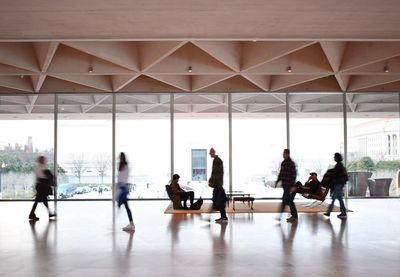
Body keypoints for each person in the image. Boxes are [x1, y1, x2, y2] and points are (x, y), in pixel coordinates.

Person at [29, 156, 56, 221]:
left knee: (43, 200)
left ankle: (33, 214)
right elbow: (41, 177)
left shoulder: (41, 167)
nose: (45, 161)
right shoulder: (39, 168)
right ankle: (32, 214)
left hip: (40, 186)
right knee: (39, 200)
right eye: (43, 160)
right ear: (40, 161)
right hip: (41, 186)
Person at [276, 149, 298, 223]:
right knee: (289, 201)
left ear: (288, 154)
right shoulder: (283, 163)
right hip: (285, 185)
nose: (283, 155)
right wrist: (277, 181)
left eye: (284, 154)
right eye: (283, 154)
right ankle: (294, 216)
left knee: (284, 200)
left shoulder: (291, 163)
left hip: (289, 185)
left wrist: (293, 185)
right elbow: (281, 173)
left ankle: (279, 216)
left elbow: (294, 175)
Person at [324, 153, 348, 219]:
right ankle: (343, 212)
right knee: (339, 199)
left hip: (338, 184)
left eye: (334, 157)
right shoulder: (339, 166)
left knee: (334, 198)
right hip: (339, 185)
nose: (334, 158)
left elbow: (336, 175)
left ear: (337, 158)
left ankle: (329, 212)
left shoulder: (339, 166)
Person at [117, 152, 135, 231]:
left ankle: (132, 224)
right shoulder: (122, 166)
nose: (119, 158)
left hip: (123, 188)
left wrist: (121, 186)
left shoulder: (125, 166)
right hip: (122, 188)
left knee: (123, 206)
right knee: (125, 206)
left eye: (120, 157)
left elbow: (124, 178)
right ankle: (131, 223)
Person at [208, 148, 227, 223]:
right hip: (218, 184)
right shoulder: (217, 160)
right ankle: (223, 217)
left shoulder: (217, 160)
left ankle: (222, 217)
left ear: (213, 152)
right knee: (219, 201)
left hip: (218, 185)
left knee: (217, 201)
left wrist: (211, 182)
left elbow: (216, 173)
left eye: (210, 153)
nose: (210, 154)